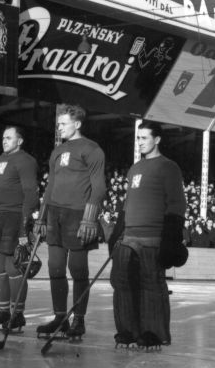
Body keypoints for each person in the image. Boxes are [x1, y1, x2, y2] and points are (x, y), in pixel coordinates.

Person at [109, 121, 187, 348]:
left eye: (144, 138)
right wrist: (117, 233)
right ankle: (127, 331)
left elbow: (176, 204)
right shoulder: (135, 169)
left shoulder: (168, 167)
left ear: (157, 139)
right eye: (138, 138)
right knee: (121, 283)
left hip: (152, 238)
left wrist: (170, 239)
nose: (140, 142)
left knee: (151, 286)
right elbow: (127, 205)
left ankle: (152, 333)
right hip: (129, 237)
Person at [33, 104, 106, 340]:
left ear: (77, 124)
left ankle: (79, 319)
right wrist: (42, 215)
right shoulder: (57, 151)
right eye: (59, 124)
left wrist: (90, 218)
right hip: (55, 213)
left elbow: (99, 187)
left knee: (77, 269)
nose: (60, 128)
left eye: (64, 124)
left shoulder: (92, 149)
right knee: (55, 268)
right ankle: (59, 317)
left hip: (78, 215)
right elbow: (50, 186)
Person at [0, 126, 38, 331]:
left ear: (19, 140)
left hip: (14, 216)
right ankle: (2, 311)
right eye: (3, 137)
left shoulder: (26, 161)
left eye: (9, 137)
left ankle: (17, 314)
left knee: (13, 266)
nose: (4, 141)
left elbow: (30, 193)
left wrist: (24, 225)